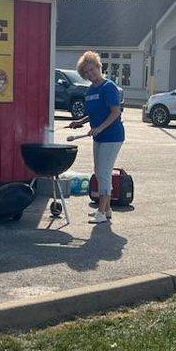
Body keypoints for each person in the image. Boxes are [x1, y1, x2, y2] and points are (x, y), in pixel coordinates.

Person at [68, 50, 124, 224]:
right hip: (99, 137)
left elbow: (115, 112)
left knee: (104, 173)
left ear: (99, 67)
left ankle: (101, 212)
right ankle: (107, 210)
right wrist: (80, 121)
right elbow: (94, 113)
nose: (91, 74)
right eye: (87, 72)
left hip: (112, 136)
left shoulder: (109, 87)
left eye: (93, 69)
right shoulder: (91, 90)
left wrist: (99, 128)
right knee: (100, 174)